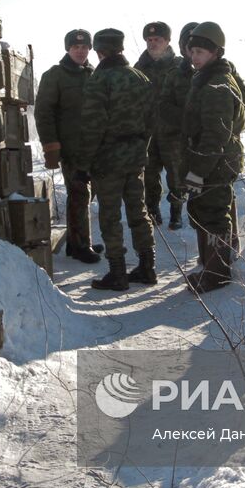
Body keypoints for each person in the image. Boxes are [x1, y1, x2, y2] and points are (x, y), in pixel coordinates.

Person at [70, 28, 156, 291]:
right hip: (136, 157)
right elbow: (152, 121)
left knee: (110, 216)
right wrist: (141, 147)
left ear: (100, 51)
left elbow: (92, 128)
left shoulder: (99, 81)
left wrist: (83, 166)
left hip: (108, 161)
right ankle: (147, 267)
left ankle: (117, 273)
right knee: (138, 212)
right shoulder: (141, 78)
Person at [181, 22, 245, 293]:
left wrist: (197, 171)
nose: (194, 57)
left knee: (212, 214)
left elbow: (214, 136)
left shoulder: (216, 85)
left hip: (214, 162)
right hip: (220, 160)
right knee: (213, 209)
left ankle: (217, 275)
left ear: (215, 52)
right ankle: (214, 264)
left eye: (200, 52)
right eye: (192, 51)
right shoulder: (216, 76)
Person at [34, 28, 101, 264]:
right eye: (76, 47)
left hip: (92, 148)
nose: (81, 52)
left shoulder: (94, 73)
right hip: (70, 148)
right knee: (80, 193)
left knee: (85, 194)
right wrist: (51, 147)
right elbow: (43, 113)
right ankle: (81, 245)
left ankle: (76, 240)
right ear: (68, 49)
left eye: (85, 48)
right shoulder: (55, 75)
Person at [135, 21, 186, 229]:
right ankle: (153, 212)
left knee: (176, 175)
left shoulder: (180, 66)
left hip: (173, 132)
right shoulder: (139, 68)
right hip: (148, 133)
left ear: (167, 41)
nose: (153, 43)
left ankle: (176, 213)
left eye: (158, 40)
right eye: (149, 40)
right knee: (149, 176)